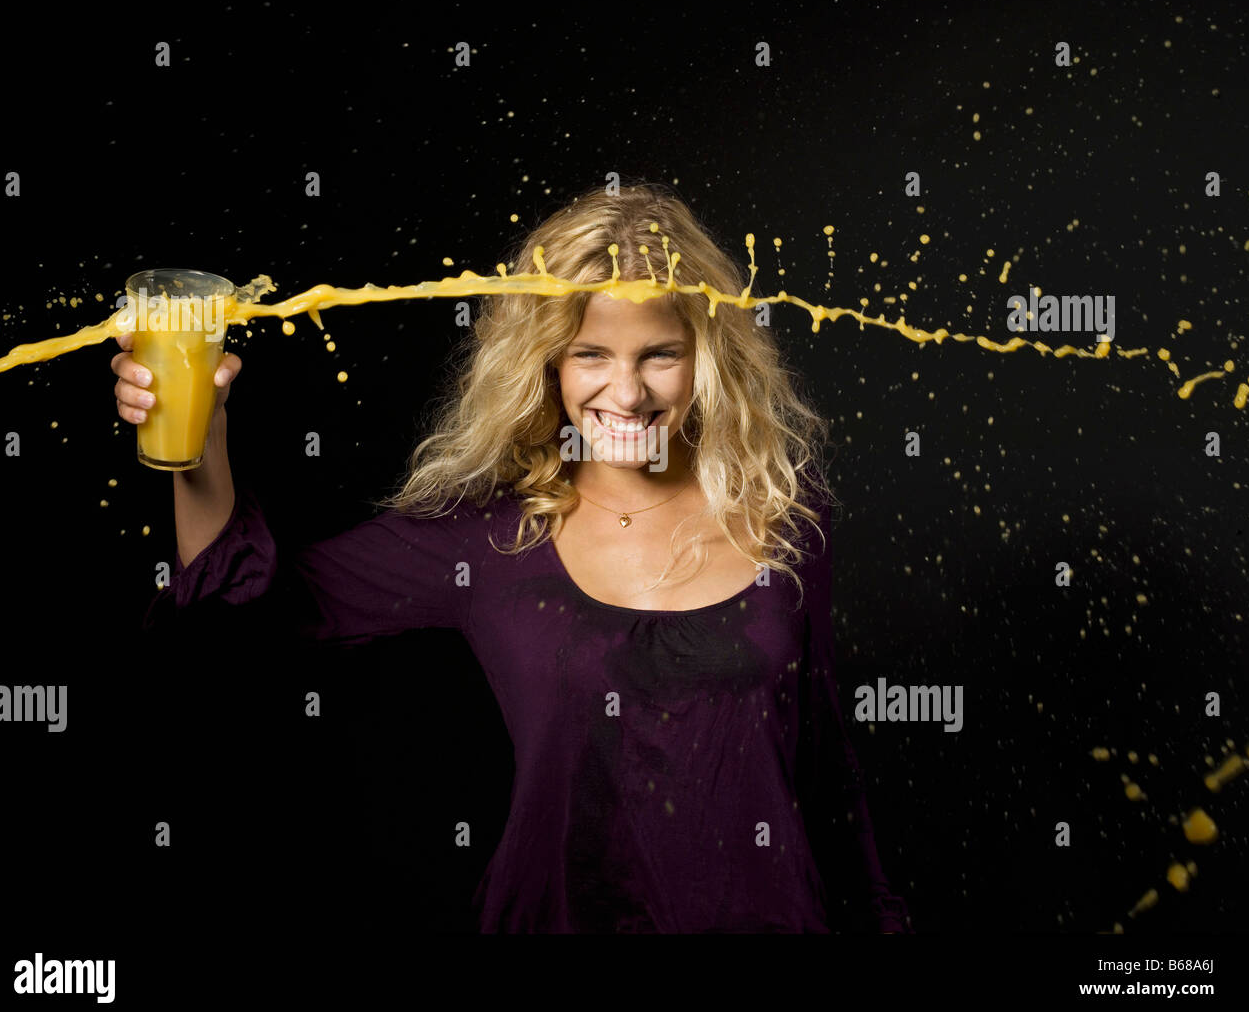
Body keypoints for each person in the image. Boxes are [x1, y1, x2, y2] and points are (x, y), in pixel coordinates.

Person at [111, 182, 912, 934]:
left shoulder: (785, 510)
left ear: (708, 357)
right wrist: (199, 440)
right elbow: (245, 616)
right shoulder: (487, 536)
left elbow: (825, 762)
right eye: (592, 354)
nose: (626, 394)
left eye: (660, 354)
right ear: (549, 362)